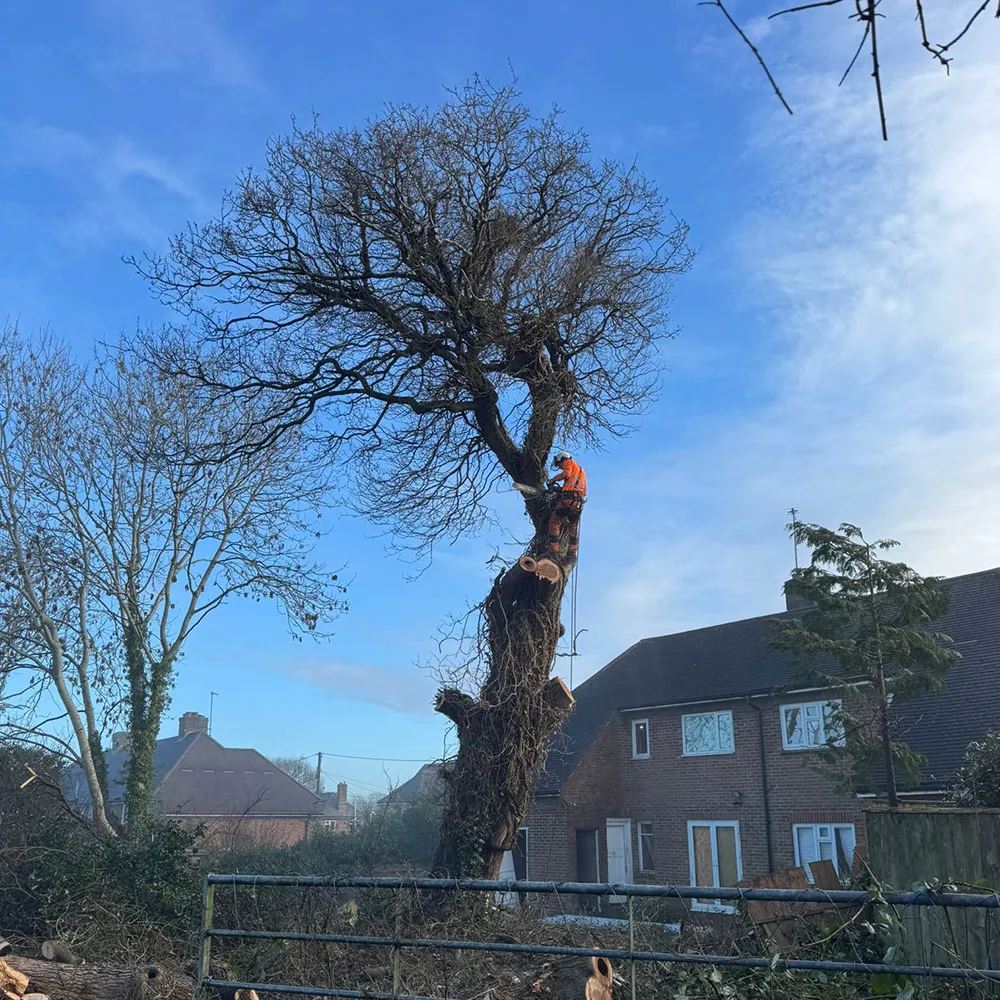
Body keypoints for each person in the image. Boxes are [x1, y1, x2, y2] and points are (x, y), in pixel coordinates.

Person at [546, 451, 587, 558]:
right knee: (573, 527)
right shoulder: (580, 470)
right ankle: (572, 553)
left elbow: (566, 474)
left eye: (559, 464)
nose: (560, 466)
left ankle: (553, 550)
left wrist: (553, 480)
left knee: (554, 522)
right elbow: (576, 486)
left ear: (561, 458)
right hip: (578, 502)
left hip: (568, 499)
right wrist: (561, 489)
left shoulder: (567, 462)